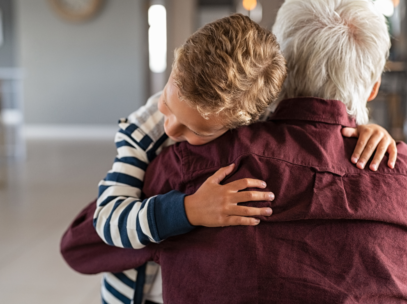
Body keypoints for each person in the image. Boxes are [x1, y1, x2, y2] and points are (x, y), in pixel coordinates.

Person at [61, 5, 403, 303]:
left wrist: (181, 215)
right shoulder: (393, 165)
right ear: (372, 89)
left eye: (196, 130)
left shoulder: (196, 163)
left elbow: (80, 247)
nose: (170, 130)